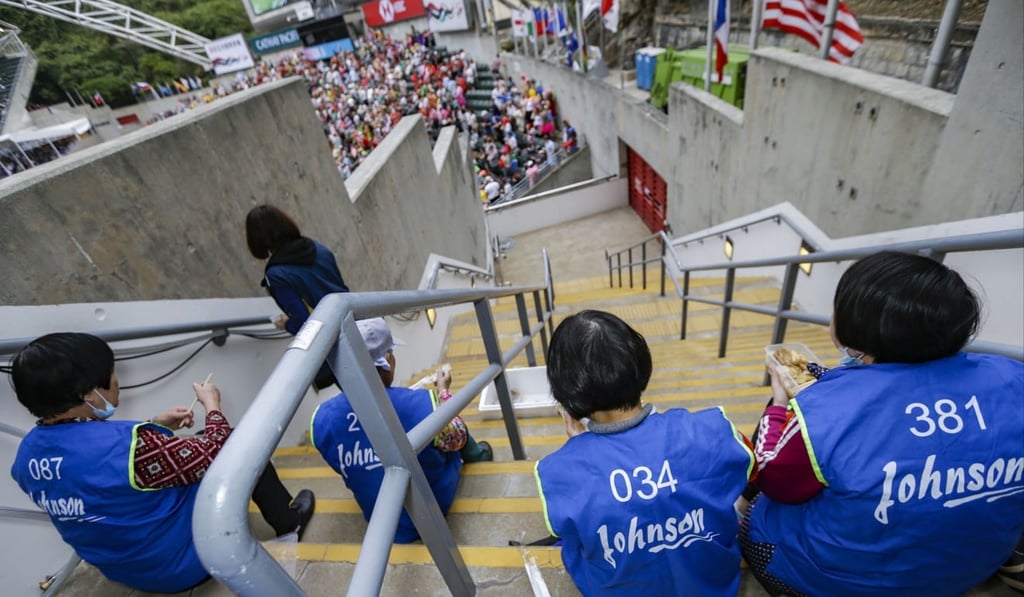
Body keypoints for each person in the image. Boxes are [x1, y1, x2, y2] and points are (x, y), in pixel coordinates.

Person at [742, 251, 1024, 596]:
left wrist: (780, 407)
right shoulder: (1014, 378)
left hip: (846, 583)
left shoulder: (825, 411)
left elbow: (774, 481)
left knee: (755, 514)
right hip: (973, 568)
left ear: (851, 328)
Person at [9, 333, 315, 593]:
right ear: (87, 393)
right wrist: (212, 406)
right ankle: (289, 521)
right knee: (239, 442)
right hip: (186, 564)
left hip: (126, 571)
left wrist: (157, 424)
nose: (117, 381)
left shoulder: (25, 458)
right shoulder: (132, 445)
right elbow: (223, 451)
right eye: (111, 374)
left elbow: (96, 469)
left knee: (195, 442)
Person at [535, 310, 756, 595]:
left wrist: (580, 449)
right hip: (714, 587)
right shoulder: (710, 428)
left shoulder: (560, 472)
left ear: (569, 395)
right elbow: (750, 468)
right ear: (639, 363)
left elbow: (572, 530)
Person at [310, 318, 493, 543]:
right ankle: (479, 456)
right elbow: (458, 438)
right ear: (387, 360)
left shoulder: (320, 419)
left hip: (381, 519)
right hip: (432, 507)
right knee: (450, 426)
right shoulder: (423, 404)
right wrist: (443, 392)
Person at [246, 204, 349, 389]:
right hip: (355, 323)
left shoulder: (276, 275)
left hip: (335, 346)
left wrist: (286, 323)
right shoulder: (318, 248)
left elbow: (305, 323)